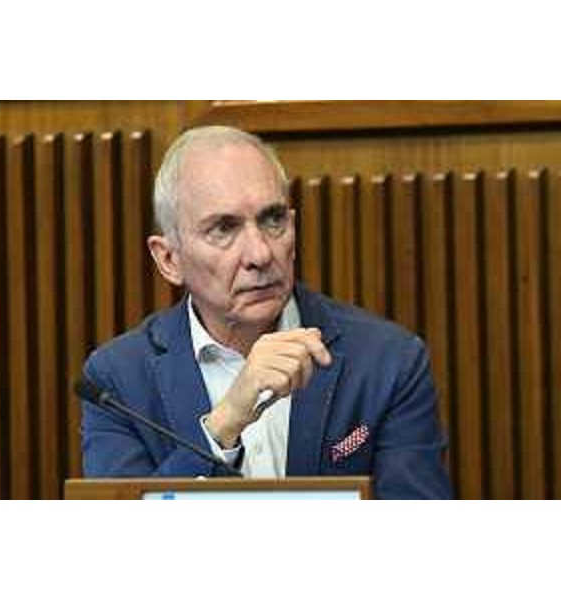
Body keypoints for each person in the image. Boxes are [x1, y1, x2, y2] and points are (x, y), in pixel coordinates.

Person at [81, 125, 452, 499]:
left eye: (273, 220)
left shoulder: (387, 361)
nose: (259, 254)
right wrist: (224, 424)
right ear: (169, 259)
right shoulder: (117, 381)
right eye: (223, 228)